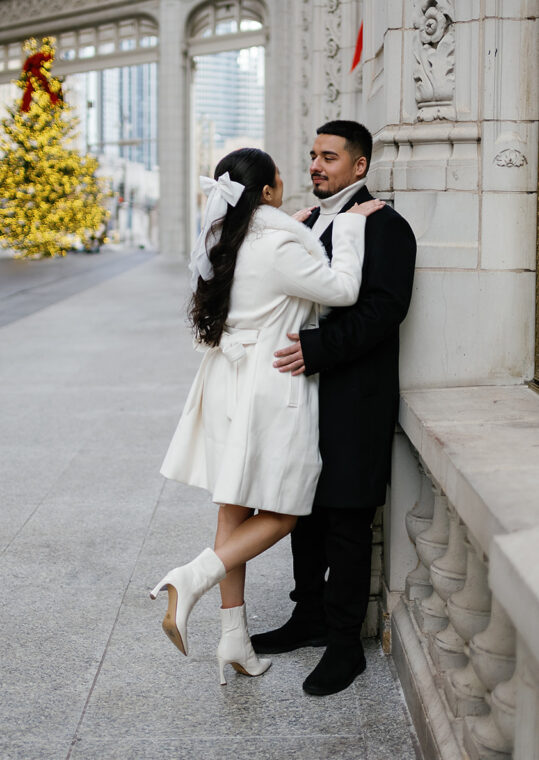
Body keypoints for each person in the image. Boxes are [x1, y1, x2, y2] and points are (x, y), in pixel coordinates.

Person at [150, 147, 384, 684]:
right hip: (268, 385)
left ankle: (235, 639)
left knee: (233, 507)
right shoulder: (278, 243)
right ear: (270, 193)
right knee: (286, 511)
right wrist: (346, 228)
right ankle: (191, 577)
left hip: (225, 382)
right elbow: (343, 291)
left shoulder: (226, 240)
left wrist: (297, 229)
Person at [250, 120, 417, 697]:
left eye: (329, 157)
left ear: (360, 166)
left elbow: (384, 310)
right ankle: (308, 616)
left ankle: (346, 644)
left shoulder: (387, 225)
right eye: (313, 155)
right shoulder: (306, 220)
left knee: (346, 520)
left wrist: (318, 351)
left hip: (353, 396)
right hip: (301, 397)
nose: (316, 166)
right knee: (304, 511)